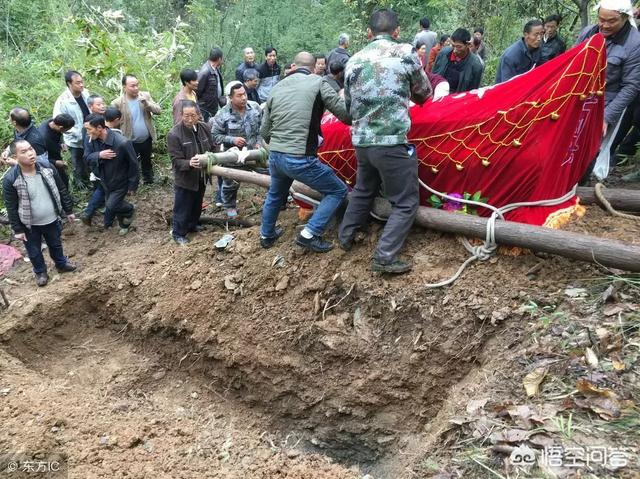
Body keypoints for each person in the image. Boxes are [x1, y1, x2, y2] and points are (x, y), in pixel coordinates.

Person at [339, 8, 432, 274]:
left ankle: (345, 238)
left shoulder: (353, 60)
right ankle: (385, 256)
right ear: (397, 32)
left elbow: (348, 106)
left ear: (368, 33)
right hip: (391, 141)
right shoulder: (404, 53)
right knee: (405, 202)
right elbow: (424, 93)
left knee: (363, 190)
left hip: (362, 142)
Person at [259, 51, 351, 252]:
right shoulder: (318, 83)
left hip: (276, 155)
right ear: (313, 68)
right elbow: (345, 115)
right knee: (337, 190)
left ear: (293, 66)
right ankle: (309, 233)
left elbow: (264, 131)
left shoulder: (277, 87)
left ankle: (266, 235)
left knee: (275, 194)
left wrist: (278, 146)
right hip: (299, 156)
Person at [577, 0, 640, 181]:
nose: (604, 25)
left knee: (590, 146)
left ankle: (580, 185)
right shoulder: (588, 32)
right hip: (578, 97)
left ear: (625, 18)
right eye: (601, 19)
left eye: (611, 21)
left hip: (605, 103)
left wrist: (605, 117)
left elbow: (631, 86)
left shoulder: (634, 43)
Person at [2, 140, 76, 287]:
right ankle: (40, 272)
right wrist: (17, 229)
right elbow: (11, 205)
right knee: (34, 251)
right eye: (24, 152)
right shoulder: (11, 179)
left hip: (51, 218)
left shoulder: (47, 167)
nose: (30, 153)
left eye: (31, 149)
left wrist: (68, 210)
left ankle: (61, 264)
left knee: (55, 244)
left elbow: (61, 189)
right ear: (15, 158)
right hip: (29, 224)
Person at [211, 82, 263, 218]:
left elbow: (261, 129)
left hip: (254, 153)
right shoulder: (222, 114)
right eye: (239, 95)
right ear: (231, 98)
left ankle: (278, 201)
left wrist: (258, 143)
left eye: (244, 94)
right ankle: (230, 207)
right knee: (230, 183)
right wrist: (232, 140)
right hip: (233, 155)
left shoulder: (255, 108)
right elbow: (215, 135)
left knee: (270, 174)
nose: (244, 98)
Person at [167, 100, 215, 245]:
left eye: (192, 116)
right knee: (183, 206)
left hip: (202, 175)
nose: (189, 119)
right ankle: (178, 233)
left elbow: (212, 146)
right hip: (185, 178)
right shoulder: (174, 134)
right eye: (186, 116)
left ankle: (192, 225)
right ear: (181, 115)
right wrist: (189, 163)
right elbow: (175, 160)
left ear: (198, 115)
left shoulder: (204, 127)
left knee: (197, 203)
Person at [84, 114, 139, 235]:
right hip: (104, 180)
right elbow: (86, 157)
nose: (87, 132)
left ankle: (130, 209)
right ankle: (124, 224)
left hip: (120, 181)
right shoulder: (91, 139)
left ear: (99, 128)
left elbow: (134, 164)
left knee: (111, 205)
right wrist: (98, 155)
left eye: (89, 129)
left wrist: (132, 186)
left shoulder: (122, 143)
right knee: (114, 205)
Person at [111, 74, 161, 185]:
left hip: (146, 137)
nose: (136, 88)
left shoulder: (145, 96)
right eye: (132, 86)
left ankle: (148, 180)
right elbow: (113, 123)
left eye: (137, 85)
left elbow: (158, 110)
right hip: (129, 139)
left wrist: (147, 104)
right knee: (131, 162)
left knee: (147, 160)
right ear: (124, 87)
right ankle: (132, 183)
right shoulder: (117, 103)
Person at [53, 70, 91, 188]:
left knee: (88, 158)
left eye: (82, 82)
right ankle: (79, 183)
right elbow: (58, 122)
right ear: (69, 84)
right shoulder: (62, 101)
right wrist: (75, 133)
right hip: (75, 138)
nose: (81, 85)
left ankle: (90, 179)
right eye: (77, 83)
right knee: (77, 161)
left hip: (90, 133)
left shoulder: (86, 93)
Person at [432, 28, 484, 93]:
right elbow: (433, 76)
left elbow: (472, 92)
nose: (455, 50)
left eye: (459, 47)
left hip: (458, 100)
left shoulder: (476, 66)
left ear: (468, 45)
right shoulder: (443, 54)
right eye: (453, 46)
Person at [38, 114, 75, 188]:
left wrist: (61, 143)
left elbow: (59, 134)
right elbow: (40, 158)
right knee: (60, 181)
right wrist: (55, 162)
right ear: (61, 127)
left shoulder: (50, 122)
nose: (67, 131)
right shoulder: (46, 138)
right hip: (49, 162)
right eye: (67, 130)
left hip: (54, 154)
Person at [197, 48, 225, 122]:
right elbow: (197, 91)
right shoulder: (205, 72)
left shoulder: (215, 69)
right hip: (205, 110)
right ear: (219, 59)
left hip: (213, 108)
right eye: (222, 58)